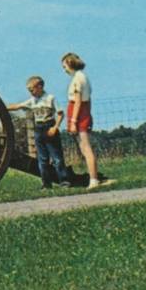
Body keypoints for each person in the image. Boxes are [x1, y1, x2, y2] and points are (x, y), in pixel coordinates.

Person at [8, 76, 70, 189]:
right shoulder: (32, 101)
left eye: (31, 89)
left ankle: (64, 181)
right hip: (39, 129)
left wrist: (55, 127)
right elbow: (17, 106)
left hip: (49, 127)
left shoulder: (51, 98)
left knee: (57, 158)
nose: (30, 92)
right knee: (42, 160)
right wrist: (2, 108)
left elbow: (60, 113)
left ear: (40, 87)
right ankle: (46, 184)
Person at [62, 52, 101, 189]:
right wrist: (88, 115)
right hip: (83, 112)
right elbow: (88, 100)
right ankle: (93, 177)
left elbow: (78, 101)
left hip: (78, 113)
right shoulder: (83, 77)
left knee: (86, 147)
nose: (64, 69)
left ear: (70, 64)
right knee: (84, 148)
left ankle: (94, 180)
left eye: (64, 66)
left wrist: (73, 121)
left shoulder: (77, 79)